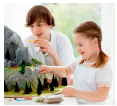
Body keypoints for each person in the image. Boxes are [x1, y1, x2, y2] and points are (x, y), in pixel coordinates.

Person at [39, 21, 113, 105]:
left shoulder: (103, 67)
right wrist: (50, 69)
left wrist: (76, 92)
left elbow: (102, 95)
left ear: (95, 42)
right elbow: (66, 71)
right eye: (76, 45)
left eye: (80, 45)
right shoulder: (79, 61)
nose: (78, 49)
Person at [23, 5, 75, 84]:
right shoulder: (27, 43)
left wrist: (54, 55)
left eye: (39, 25)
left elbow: (65, 81)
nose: (35, 30)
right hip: (41, 90)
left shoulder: (62, 41)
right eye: (31, 26)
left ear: (50, 24)